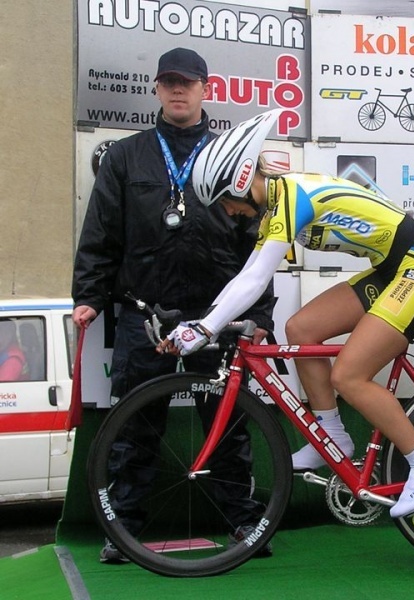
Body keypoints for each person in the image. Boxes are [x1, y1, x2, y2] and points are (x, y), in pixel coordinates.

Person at [159, 109, 414, 519]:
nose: (228, 212)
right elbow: (248, 276)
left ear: (242, 183)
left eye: (226, 202)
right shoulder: (277, 206)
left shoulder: (291, 198)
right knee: (301, 327)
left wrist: (205, 328)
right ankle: (332, 433)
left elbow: (254, 280)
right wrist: (205, 322)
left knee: (349, 375)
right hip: (394, 266)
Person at [72, 48, 276, 564]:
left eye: (187, 82)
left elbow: (260, 241)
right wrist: (89, 296)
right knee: (134, 426)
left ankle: (245, 524)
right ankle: (124, 529)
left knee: (227, 426)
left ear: (206, 88)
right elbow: (100, 233)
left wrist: (261, 316)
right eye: (168, 83)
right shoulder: (126, 155)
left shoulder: (233, 154)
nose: (177, 90)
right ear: (157, 89)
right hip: (147, 313)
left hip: (219, 316)